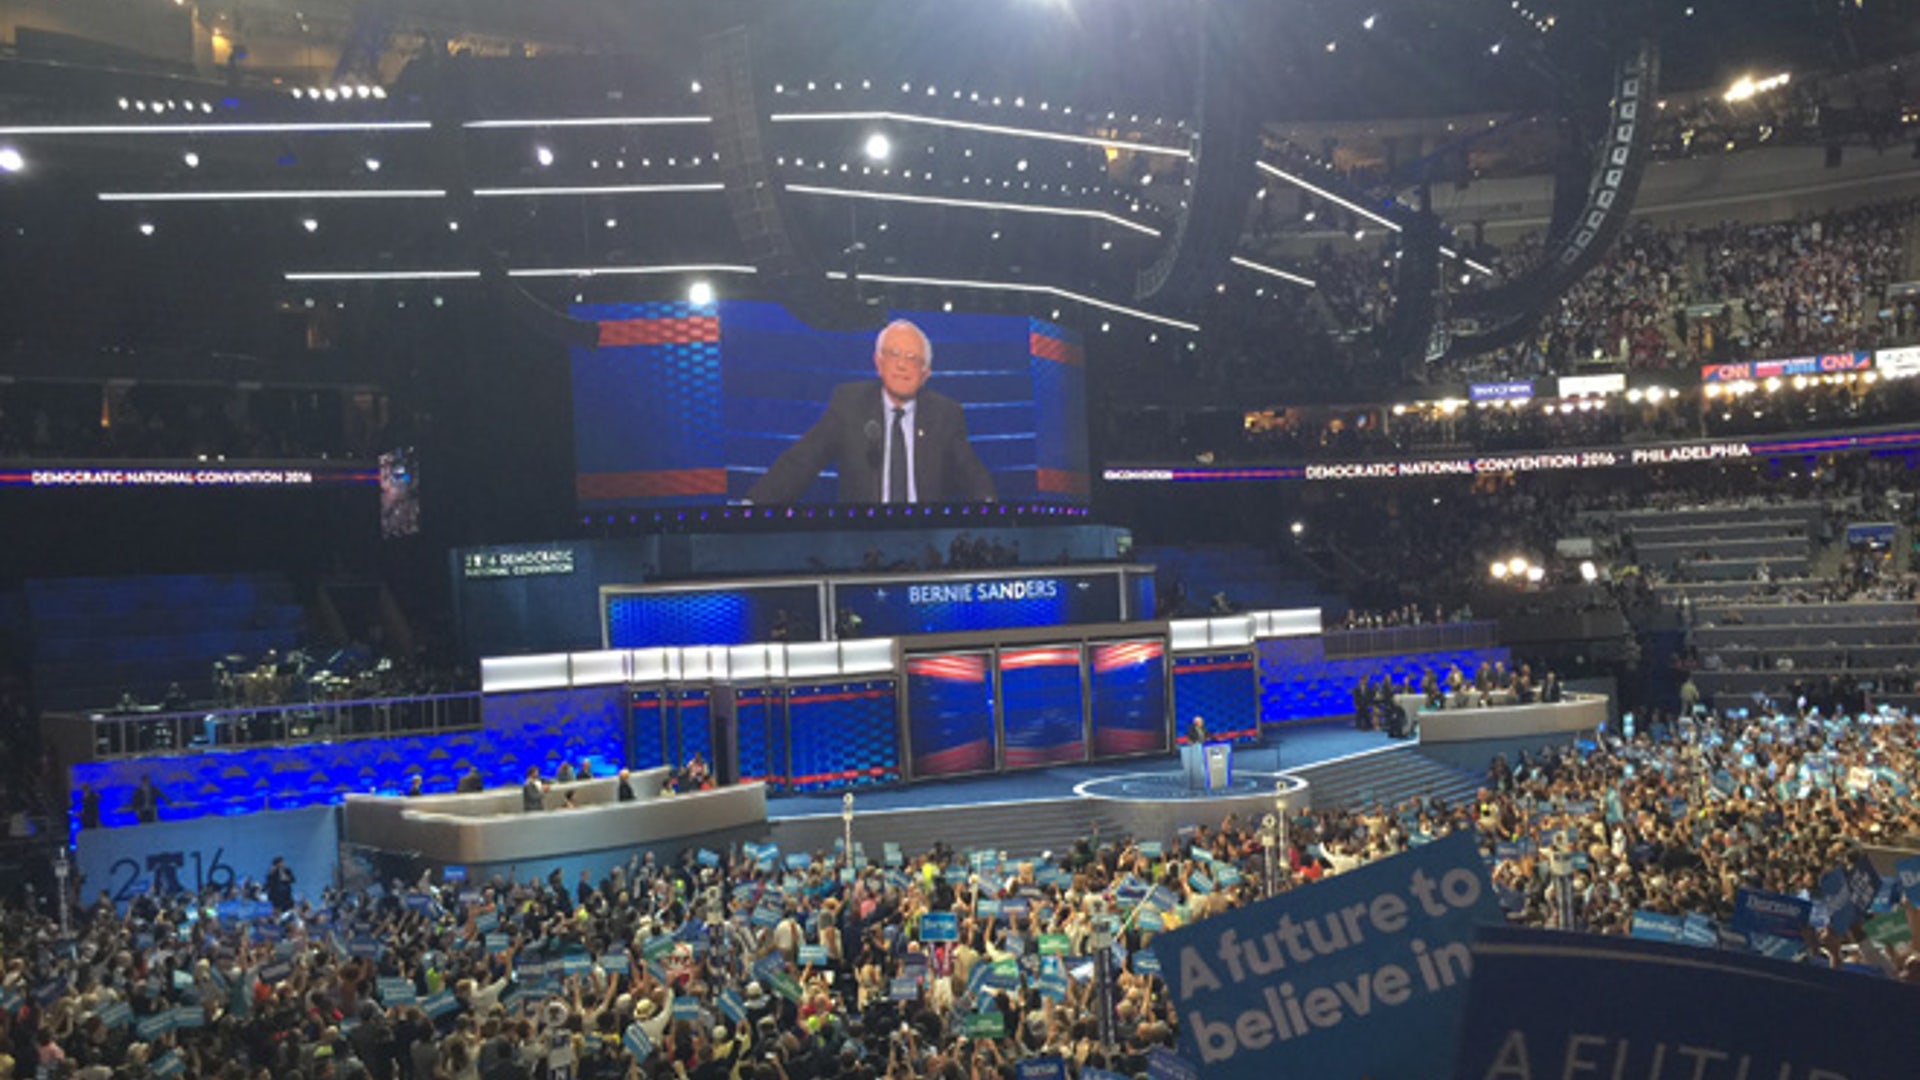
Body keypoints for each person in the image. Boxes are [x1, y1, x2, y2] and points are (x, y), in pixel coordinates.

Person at [745, 319, 996, 505]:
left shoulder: (945, 414)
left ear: (925, 374)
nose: (901, 365)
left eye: (912, 358)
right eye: (894, 354)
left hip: (925, 535)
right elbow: (801, 462)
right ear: (878, 362)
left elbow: (972, 474)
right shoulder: (850, 404)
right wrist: (751, 508)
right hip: (863, 536)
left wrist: (990, 511)